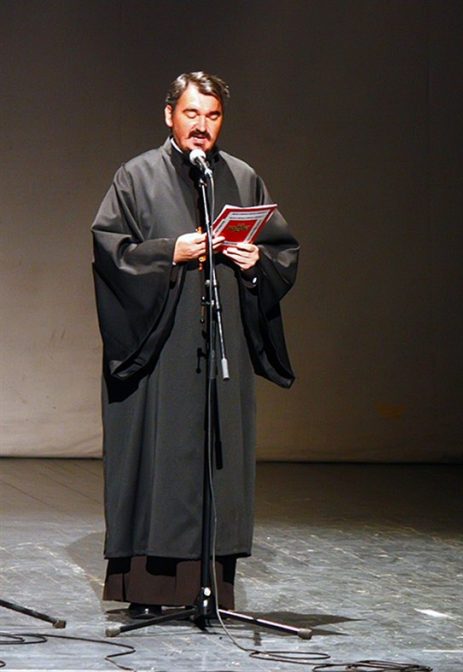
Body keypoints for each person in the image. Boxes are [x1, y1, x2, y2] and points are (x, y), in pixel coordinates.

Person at [91, 72, 299, 619]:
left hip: (219, 347)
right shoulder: (136, 176)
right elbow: (111, 251)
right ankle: (149, 589)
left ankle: (210, 590)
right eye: (191, 114)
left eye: (212, 115)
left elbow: (282, 252)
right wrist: (170, 253)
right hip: (160, 349)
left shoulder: (241, 177)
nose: (201, 126)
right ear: (170, 115)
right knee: (159, 461)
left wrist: (256, 265)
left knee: (217, 461)